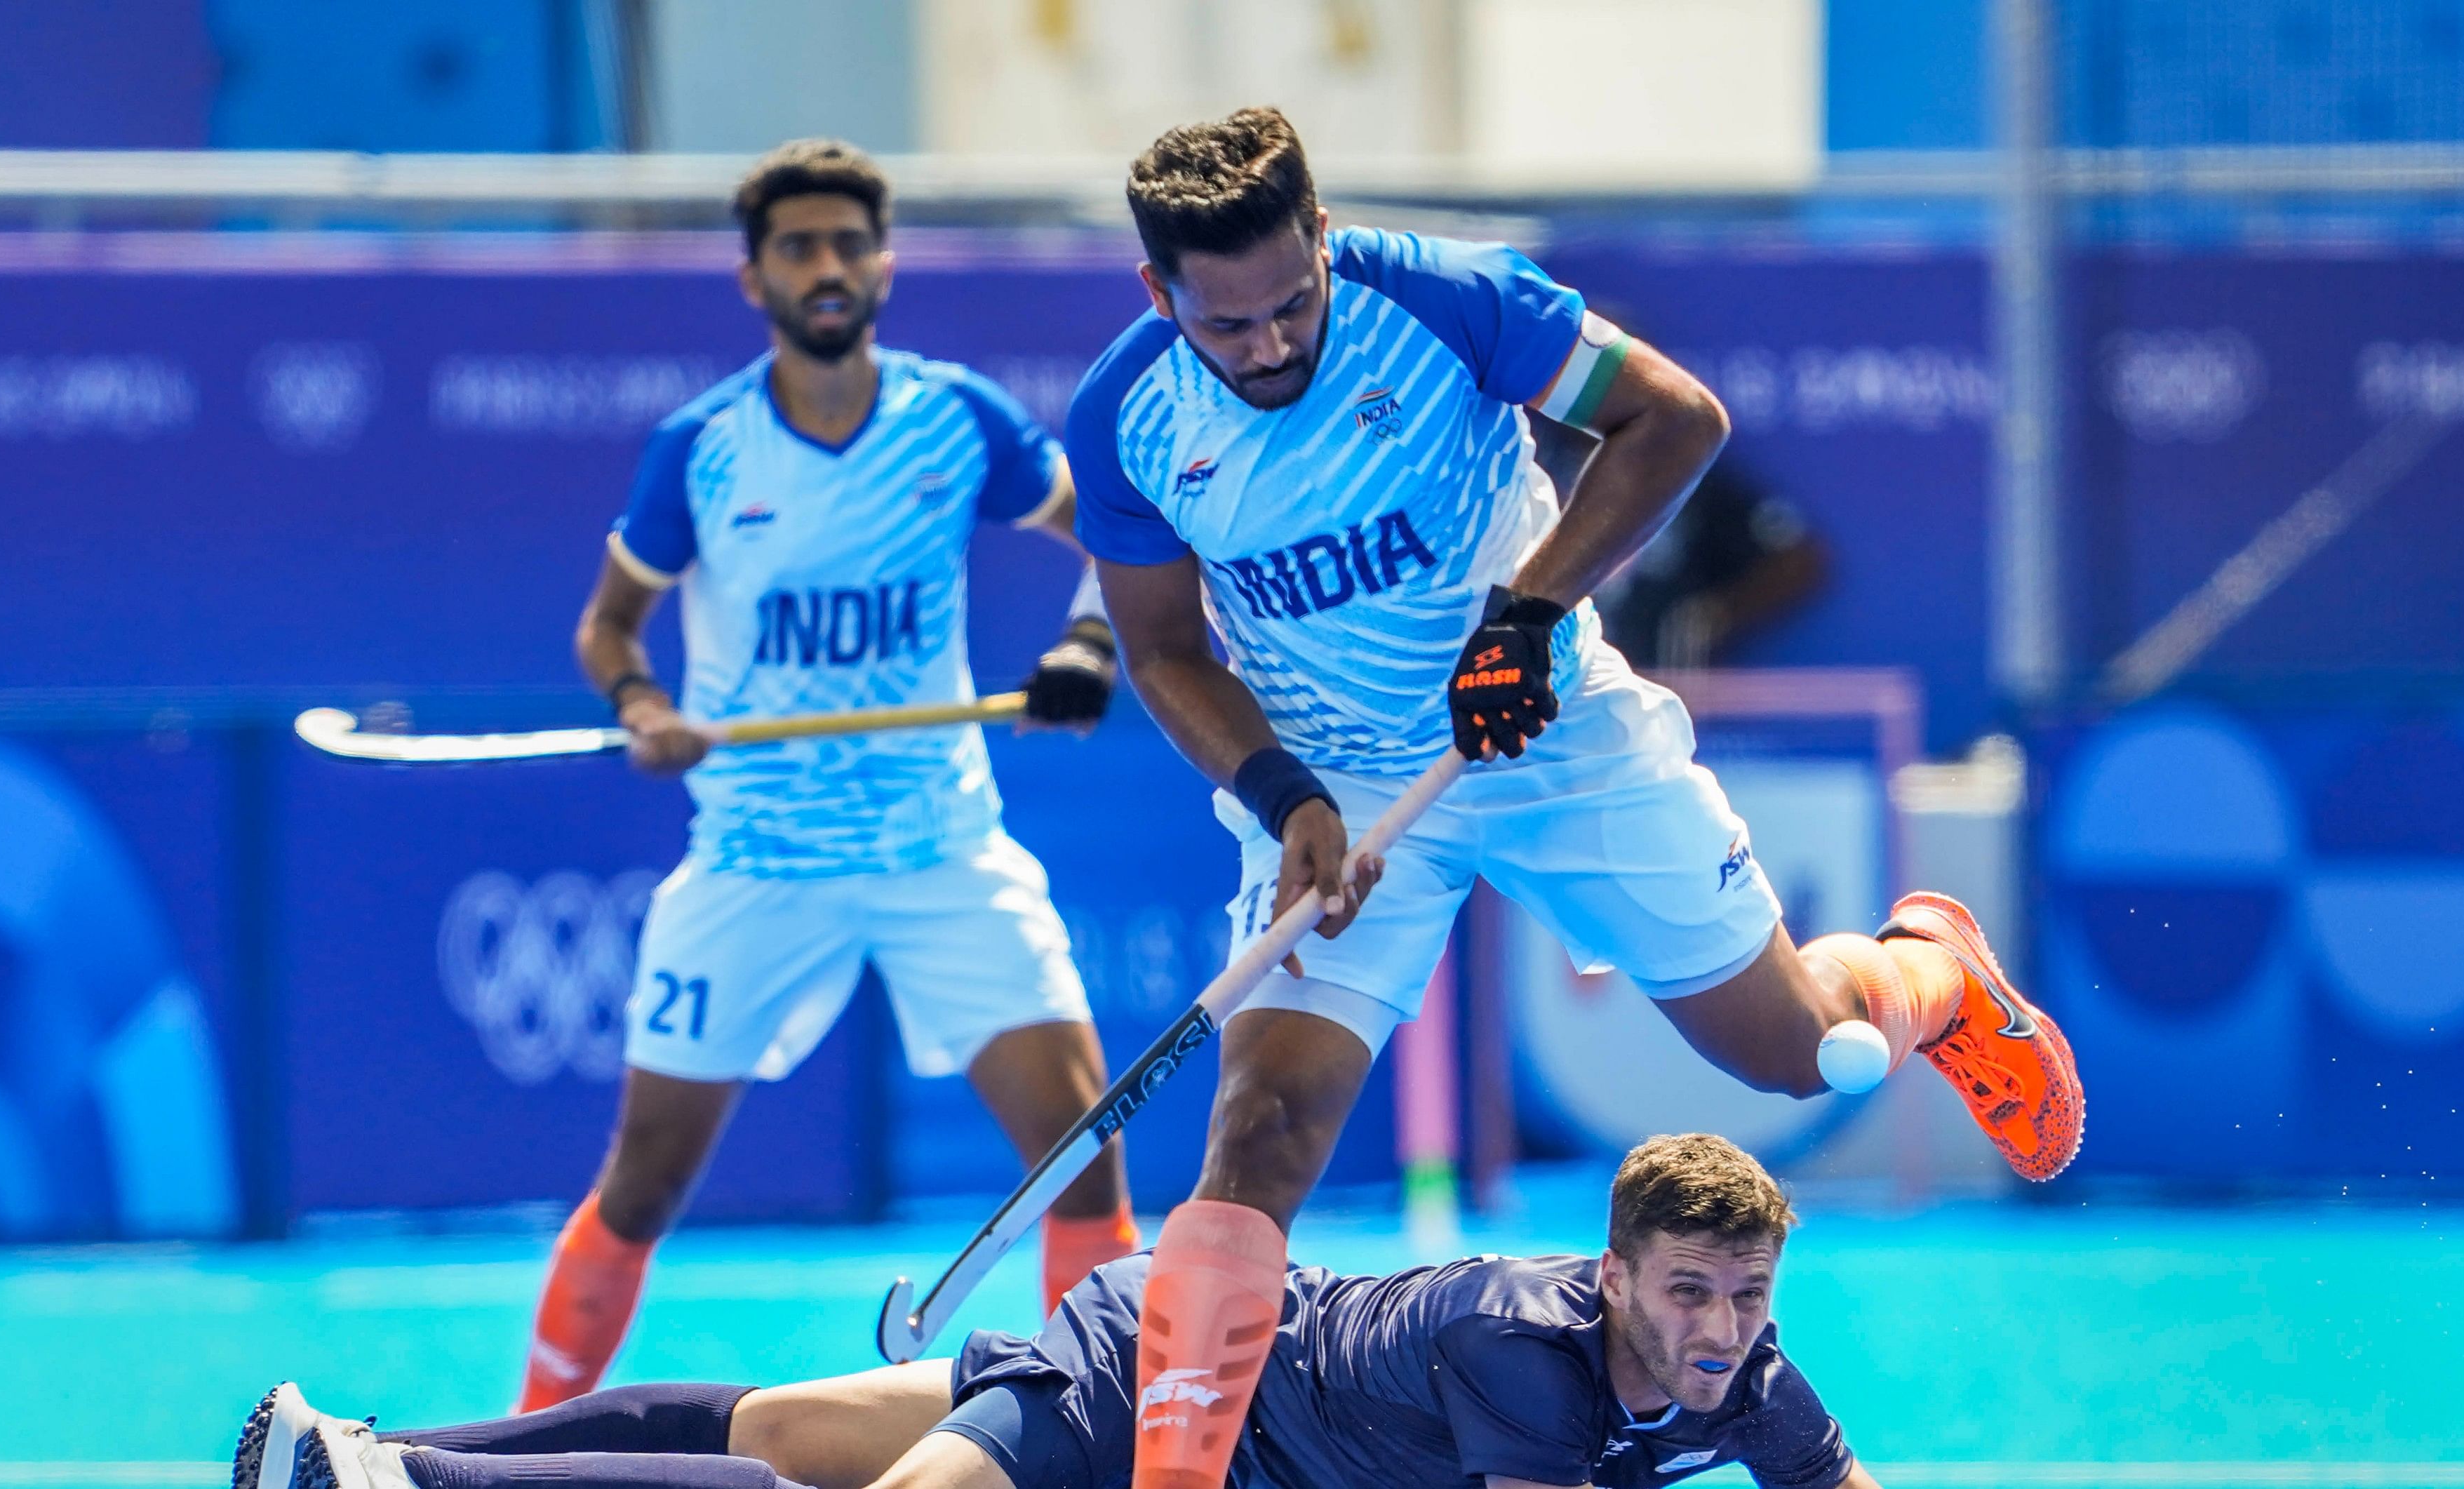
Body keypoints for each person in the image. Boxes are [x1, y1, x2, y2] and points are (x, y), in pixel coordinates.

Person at [1060, 108, 2083, 1488]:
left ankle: (1928, 974)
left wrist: (1527, 613)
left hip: (1546, 723)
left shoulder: (1444, 296)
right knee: (1258, 1129)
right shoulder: (1124, 414)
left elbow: (1673, 416)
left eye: (1288, 304)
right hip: (1341, 779)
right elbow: (1166, 648)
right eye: (1223, 326)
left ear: (1318, 237)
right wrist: (1277, 788)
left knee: (1790, 1047)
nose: (1268, 347)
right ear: (1154, 294)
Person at [523, 138, 1135, 1412]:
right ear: (753, 278)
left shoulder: (957, 417)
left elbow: (1119, 540)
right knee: (640, 1184)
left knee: (1083, 1161)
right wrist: (643, 704)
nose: (827, 266)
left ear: (885, 265)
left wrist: (1084, 638)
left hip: (942, 853)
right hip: (755, 865)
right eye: (798, 246)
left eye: (849, 244)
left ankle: (1114, 1441)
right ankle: (515, 1446)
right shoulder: (699, 447)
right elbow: (606, 626)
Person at [235, 1133, 1880, 1489]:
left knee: (776, 1432)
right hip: (1158, 1382)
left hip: (1174, 1359)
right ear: (1616, 1279)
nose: (1722, 1323)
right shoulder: (1530, 1355)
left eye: (1744, 1293)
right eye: (1691, 1290)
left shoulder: (1749, 1373)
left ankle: (366, 1443)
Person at [1530, 420, 1829, 671]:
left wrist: (1712, 615)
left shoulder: (1683, 470)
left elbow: (1798, 558)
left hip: (1651, 680)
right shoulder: (1533, 464)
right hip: (1540, 673)